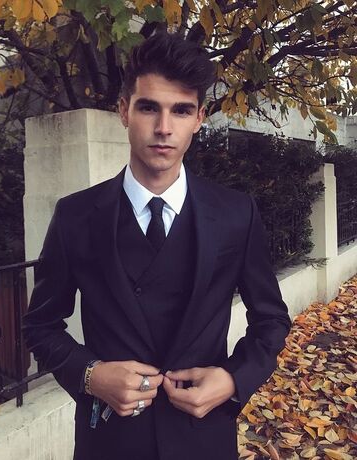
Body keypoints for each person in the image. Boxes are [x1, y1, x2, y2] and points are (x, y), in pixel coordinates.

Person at [22, 32, 292, 460]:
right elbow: (40, 326)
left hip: (203, 437)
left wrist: (233, 379)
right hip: (109, 441)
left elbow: (271, 319)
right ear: (124, 111)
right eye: (149, 107)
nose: (164, 128)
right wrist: (90, 375)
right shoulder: (76, 215)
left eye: (180, 110)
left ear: (198, 118)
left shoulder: (236, 214)